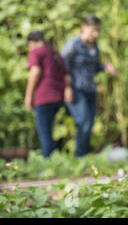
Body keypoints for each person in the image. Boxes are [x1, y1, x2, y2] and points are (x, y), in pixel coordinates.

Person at [61, 14, 116, 157]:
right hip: (76, 89)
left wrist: (105, 66)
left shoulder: (94, 46)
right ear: (84, 27)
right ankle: (79, 156)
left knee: (89, 124)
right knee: (83, 122)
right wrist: (66, 88)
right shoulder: (72, 45)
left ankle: (83, 156)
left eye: (98, 30)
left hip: (90, 89)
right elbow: (62, 67)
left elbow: (94, 66)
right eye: (93, 30)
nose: (96, 34)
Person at [25, 31, 73, 157]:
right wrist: (67, 89)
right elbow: (67, 76)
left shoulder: (36, 52)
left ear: (30, 43)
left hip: (44, 97)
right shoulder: (55, 53)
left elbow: (35, 72)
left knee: (45, 133)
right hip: (59, 98)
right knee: (57, 133)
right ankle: (58, 160)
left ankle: (49, 163)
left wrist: (29, 96)